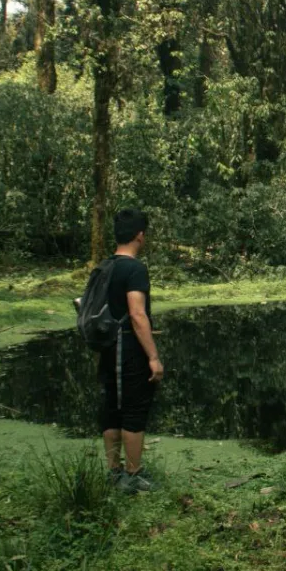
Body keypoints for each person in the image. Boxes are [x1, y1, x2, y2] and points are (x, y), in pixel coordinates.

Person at [99, 208, 164, 492]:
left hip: (107, 348)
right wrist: (153, 356)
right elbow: (138, 315)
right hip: (129, 349)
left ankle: (114, 472)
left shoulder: (104, 267)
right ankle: (133, 475)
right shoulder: (134, 269)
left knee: (112, 409)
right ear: (140, 235)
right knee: (134, 410)